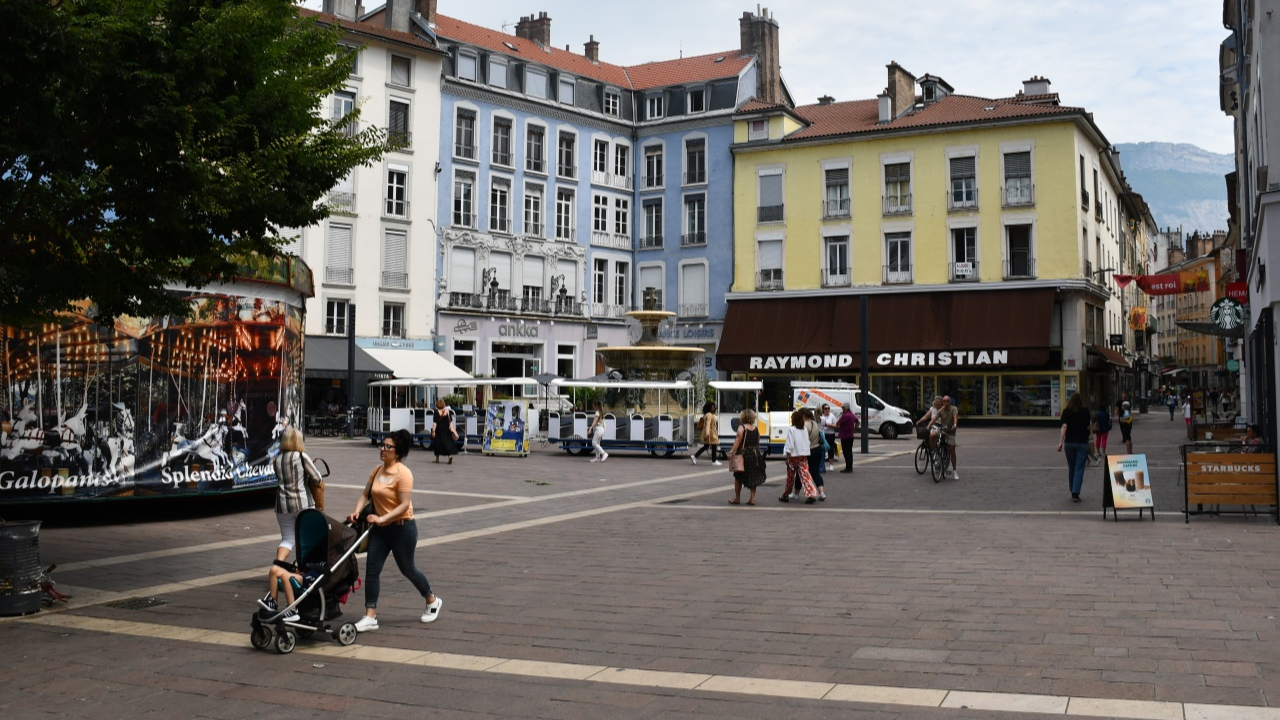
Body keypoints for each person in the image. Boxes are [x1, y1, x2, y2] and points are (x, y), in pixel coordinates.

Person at [347, 429, 442, 632]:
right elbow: (365, 494)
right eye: (382, 445)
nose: (382, 449)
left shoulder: (403, 473)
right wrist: (357, 511)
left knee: (408, 569)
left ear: (397, 452)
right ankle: (370, 615)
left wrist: (381, 518)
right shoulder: (377, 470)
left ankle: (432, 600)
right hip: (380, 531)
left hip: (402, 529)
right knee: (372, 569)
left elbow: (404, 505)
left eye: (387, 446)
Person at [271, 427, 323, 563]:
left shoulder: (277, 459)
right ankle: (307, 567)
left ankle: (278, 564)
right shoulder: (301, 456)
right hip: (303, 503)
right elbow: (317, 478)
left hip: (282, 505)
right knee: (311, 536)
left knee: (287, 539)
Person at [1057, 391, 1092, 503]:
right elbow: (1089, 426)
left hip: (1069, 443)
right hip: (1082, 442)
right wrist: (1091, 438)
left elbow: (1064, 427)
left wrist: (1060, 442)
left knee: (1071, 467)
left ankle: (1072, 488)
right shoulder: (1085, 411)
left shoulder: (1066, 412)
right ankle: (1075, 492)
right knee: (1079, 468)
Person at [727, 409, 766, 505]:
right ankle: (752, 498)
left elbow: (738, 441)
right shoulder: (756, 428)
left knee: (738, 476)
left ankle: (737, 498)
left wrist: (731, 452)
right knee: (753, 476)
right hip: (755, 454)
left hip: (744, 454)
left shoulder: (742, 428)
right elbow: (757, 442)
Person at [780, 410, 818, 504]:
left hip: (793, 455)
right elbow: (807, 442)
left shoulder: (792, 429)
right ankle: (811, 494)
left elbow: (790, 443)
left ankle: (786, 494)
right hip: (803, 455)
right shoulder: (804, 429)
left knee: (790, 477)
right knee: (805, 475)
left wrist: (787, 454)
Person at [803, 407, 826, 500]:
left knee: (803, 472)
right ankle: (822, 492)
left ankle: (798, 493)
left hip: (809, 451)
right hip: (818, 449)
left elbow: (803, 440)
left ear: (803, 416)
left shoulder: (805, 425)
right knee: (815, 472)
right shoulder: (815, 423)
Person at [936, 396, 959, 480]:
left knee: (952, 450)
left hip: (950, 431)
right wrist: (929, 425)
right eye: (944, 401)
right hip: (943, 431)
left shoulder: (954, 409)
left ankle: (954, 470)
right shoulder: (940, 410)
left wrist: (955, 425)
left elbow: (955, 417)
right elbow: (934, 419)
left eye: (947, 401)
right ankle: (937, 457)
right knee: (936, 440)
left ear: (950, 402)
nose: (946, 403)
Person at [430, 399, 458, 464]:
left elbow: (435, 422)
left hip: (438, 429)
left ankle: (437, 459)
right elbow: (450, 421)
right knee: (447, 443)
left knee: (437, 443)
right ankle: (449, 456)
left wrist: (433, 431)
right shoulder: (447, 411)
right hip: (446, 429)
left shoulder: (436, 412)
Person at [836, 402, 858, 473]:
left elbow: (837, 423)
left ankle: (848, 467)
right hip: (850, 435)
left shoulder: (845, 416)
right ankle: (850, 466)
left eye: (843, 408)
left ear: (845, 408)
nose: (842, 409)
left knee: (846, 452)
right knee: (849, 452)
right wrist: (854, 430)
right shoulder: (851, 414)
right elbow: (857, 422)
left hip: (845, 435)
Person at [820, 403, 838, 472]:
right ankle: (822, 465)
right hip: (823, 434)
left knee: (830, 448)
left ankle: (831, 464)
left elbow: (836, 425)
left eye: (828, 408)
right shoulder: (821, 416)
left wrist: (828, 425)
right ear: (823, 409)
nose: (827, 410)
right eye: (825, 408)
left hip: (830, 434)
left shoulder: (832, 416)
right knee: (822, 449)